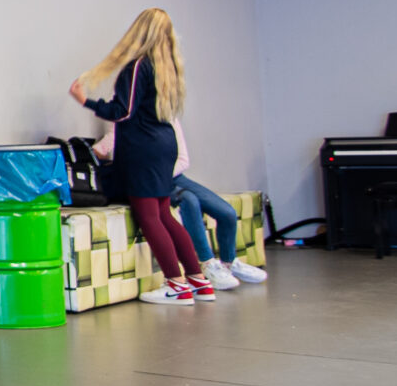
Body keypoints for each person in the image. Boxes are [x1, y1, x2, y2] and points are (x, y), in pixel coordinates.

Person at [68, 8, 212, 305]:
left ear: (139, 31)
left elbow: (122, 111)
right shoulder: (168, 68)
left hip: (143, 149)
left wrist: (85, 101)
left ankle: (176, 285)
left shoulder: (138, 67)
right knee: (164, 215)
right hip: (163, 145)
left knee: (149, 217)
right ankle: (198, 280)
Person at [93, 117, 268, 289]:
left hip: (170, 175)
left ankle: (229, 263)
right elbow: (114, 143)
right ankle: (207, 264)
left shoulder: (168, 116)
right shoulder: (124, 114)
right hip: (150, 178)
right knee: (189, 200)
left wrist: (161, 173)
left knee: (227, 212)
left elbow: (182, 159)